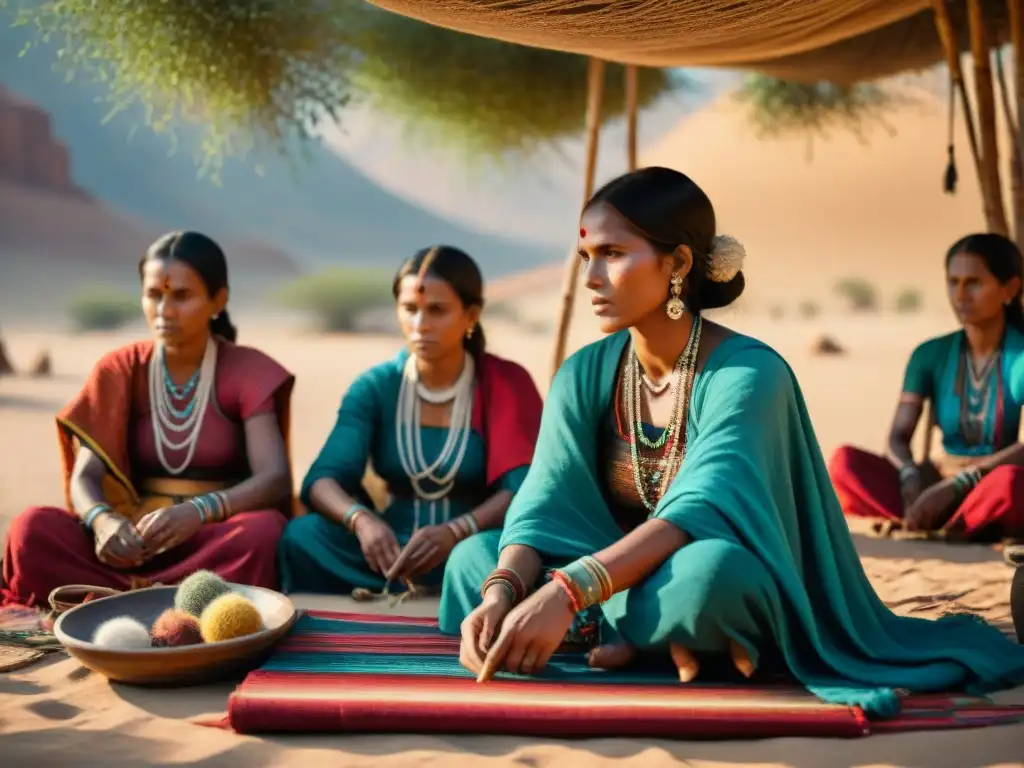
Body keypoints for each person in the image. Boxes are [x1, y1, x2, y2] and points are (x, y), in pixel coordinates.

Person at [440, 168, 1024, 718]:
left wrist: (568, 592)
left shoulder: (748, 373)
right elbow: (543, 505)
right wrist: (502, 591)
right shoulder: (583, 372)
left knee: (715, 577)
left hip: (685, 566)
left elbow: (703, 508)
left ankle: (613, 627)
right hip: (606, 565)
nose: (591, 277)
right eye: (586, 256)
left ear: (679, 263)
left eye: (613, 254)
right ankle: (646, 636)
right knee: (475, 561)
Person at [1, 231, 295, 608]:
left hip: (209, 540)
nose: (164, 310)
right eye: (154, 295)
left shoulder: (248, 369)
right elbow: (85, 477)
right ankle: (173, 599)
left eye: (181, 296)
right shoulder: (119, 368)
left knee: (264, 533)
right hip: (128, 541)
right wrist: (103, 521)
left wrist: (198, 511)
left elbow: (274, 478)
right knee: (31, 529)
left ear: (218, 300)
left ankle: (115, 599)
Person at [278, 245, 543, 597]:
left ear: (471, 315)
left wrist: (456, 531)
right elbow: (323, 479)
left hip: (476, 545)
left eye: (437, 310)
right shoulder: (376, 386)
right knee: (302, 536)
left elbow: (523, 487)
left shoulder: (507, 383)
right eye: (410, 309)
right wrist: (362, 522)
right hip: (387, 552)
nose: (420, 325)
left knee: (504, 555)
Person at [830, 234, 1024, 542]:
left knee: (1011, 485)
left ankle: (943, 520)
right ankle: (934, 518)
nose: (960, 295)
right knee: (844, 463)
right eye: (953, 281)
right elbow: (898, 436)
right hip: (933, 481)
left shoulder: (1019, 356)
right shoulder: (929, 354)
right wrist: (909, 475)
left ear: (1010, 289)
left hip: (989, 483)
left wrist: (961, 483)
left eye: (973, 282)